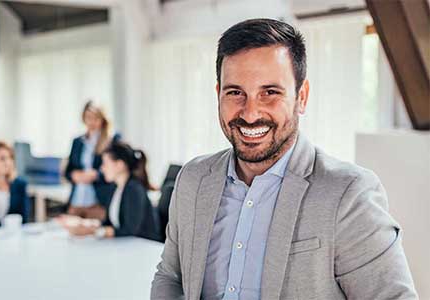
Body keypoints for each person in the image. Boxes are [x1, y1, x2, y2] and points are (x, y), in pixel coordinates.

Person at [151, 19, 417, 299]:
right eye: (235, 92)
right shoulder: (193, 179)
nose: (250, 113)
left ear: (301, 97)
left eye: (270, 92)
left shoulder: (348, 194)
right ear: (218, 94)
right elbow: (170, 276)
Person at [61, 141, 160, 241]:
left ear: (119, 165)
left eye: (105, 163)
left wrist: (94, 232)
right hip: (126, 245)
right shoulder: (115, 188)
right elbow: (110, 222)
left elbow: (130, 230)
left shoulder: (133, 189)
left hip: (143, 246)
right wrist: (84, 224)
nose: (102, 169)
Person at [65, 100, 119, 220]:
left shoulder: (112, 139)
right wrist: (74, 175)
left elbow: (118, 168)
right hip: (76, 201)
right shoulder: (78, 142)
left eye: (96, 118)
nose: (92, 122)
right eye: (88, 117)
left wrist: (96, 175)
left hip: (98, 203)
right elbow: (68, 170)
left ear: (103, 119)